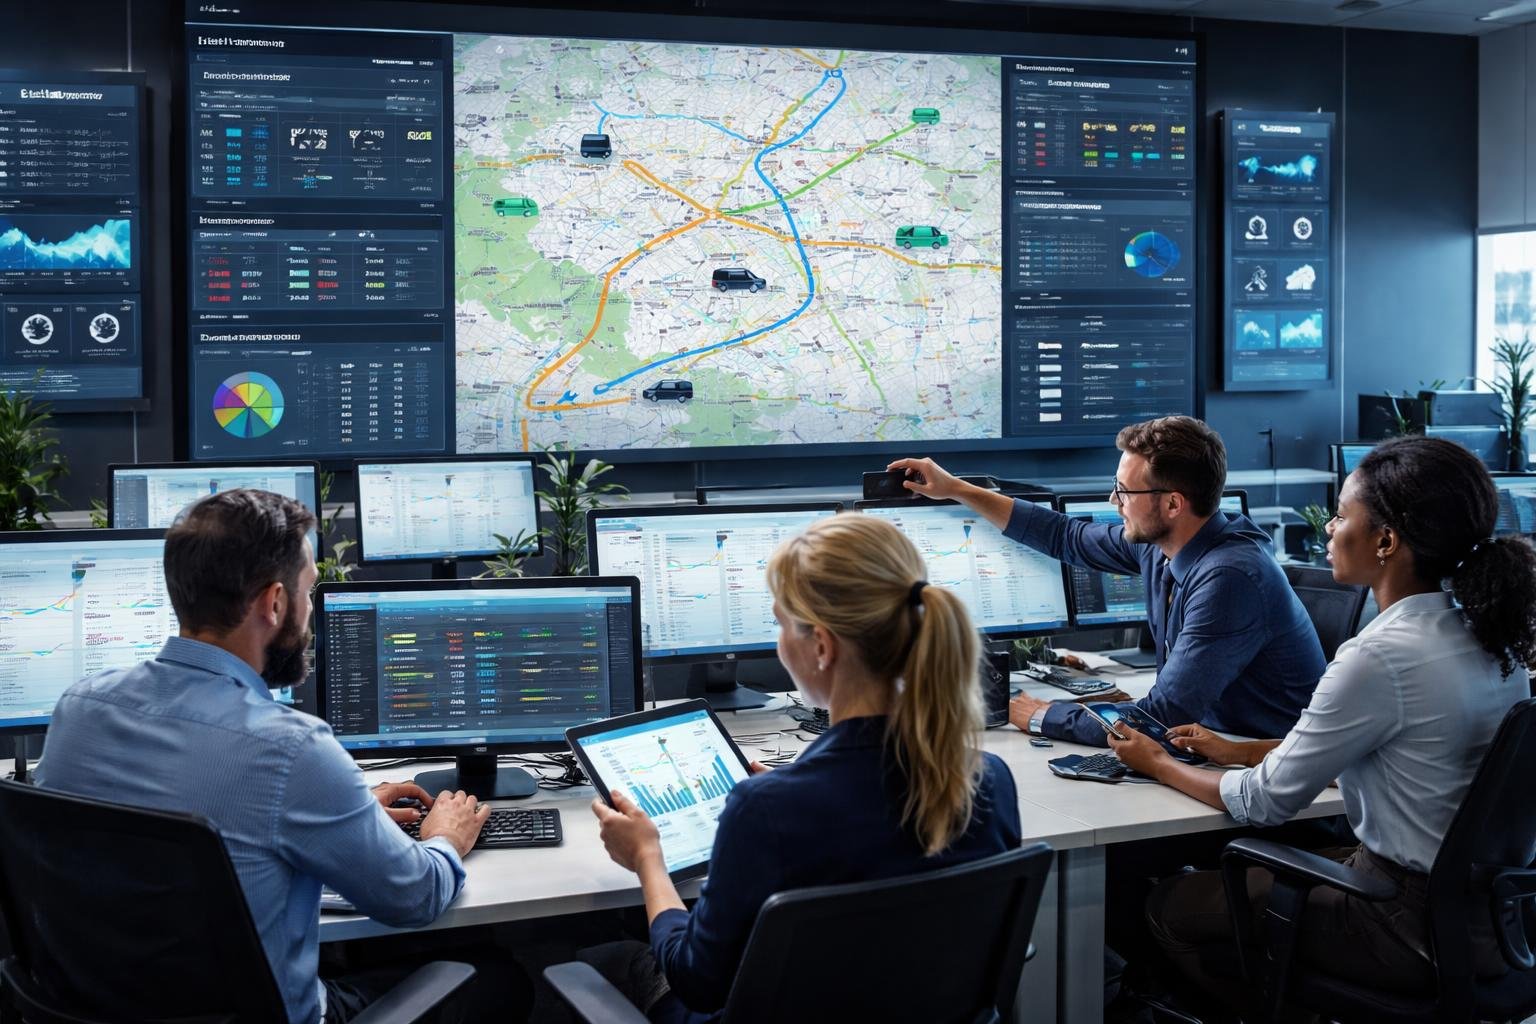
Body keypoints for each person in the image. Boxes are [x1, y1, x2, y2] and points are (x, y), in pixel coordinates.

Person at [35, 489, 527, 1024]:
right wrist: (445, 838)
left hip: (93, 1012)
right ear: (274, 603)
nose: (310, 609)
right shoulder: (292, 750)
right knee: (499, 977)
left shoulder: (79, 709)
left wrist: (347, 808)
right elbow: (413, 897)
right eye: (309, 590)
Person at [1106, 436, 1536, 1008]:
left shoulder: (1378, 656)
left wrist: (1156, 762)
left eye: (1340, 516)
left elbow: (1264, 804)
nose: (1329, 530)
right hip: (1487, 922)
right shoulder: (1485, 638)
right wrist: (1240, 751)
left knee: (1165, 905)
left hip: (1397, 923)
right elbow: (1407, 758)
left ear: (1386, 541)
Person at [587, 514, 1022, 1022]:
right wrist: (783, 794)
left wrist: (647, 860)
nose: (777, 639)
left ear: (821, 645)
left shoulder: (766, 811)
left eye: (779, 621)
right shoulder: (987, 778)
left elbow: (697, 982)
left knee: (604, 959)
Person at [890, 415, 1327, 747]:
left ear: (1173, 503)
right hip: (1209, 744)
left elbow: (1156, 720)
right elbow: (1066, 535)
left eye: (1124, 491)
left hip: (1261, 767)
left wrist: (1042, 715)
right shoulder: (1164, 543)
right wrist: (959, 490)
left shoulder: (1230, 577)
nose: (1112, 501)